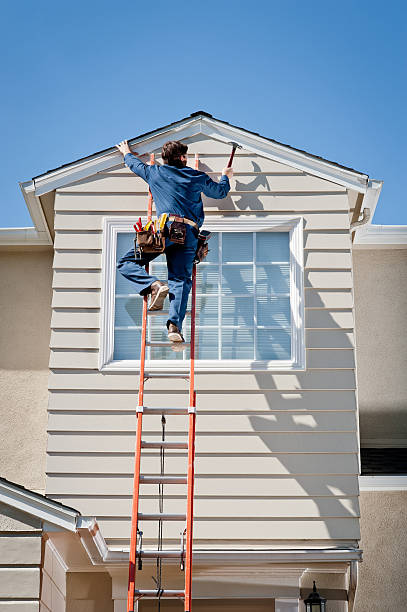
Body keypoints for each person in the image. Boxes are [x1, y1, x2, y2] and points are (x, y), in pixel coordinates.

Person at [115, 139, 233, 343]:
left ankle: (153, 286)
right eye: (185, 155)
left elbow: (136, 166)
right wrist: (225, 177)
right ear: (182, 158)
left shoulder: (155, 173)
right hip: (187, 233)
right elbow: (220, 192)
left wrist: (126, 152)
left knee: (126, 263)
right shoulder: (195, 176)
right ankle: (174, 326)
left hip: (165, 230)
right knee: (180, 280)